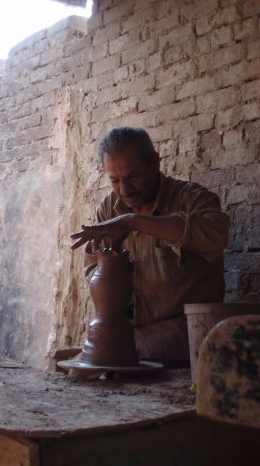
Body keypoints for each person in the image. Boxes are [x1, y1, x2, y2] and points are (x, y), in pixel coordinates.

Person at [70, 127, 230, 365]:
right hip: (127, 339)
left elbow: (215, 235)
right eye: (115, 180)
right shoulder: (109, 207)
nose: (124, 190)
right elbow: (93, 271)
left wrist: (134, 221)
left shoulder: (191, 198)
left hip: (185, 341)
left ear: (155, 162)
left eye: (133, 176)